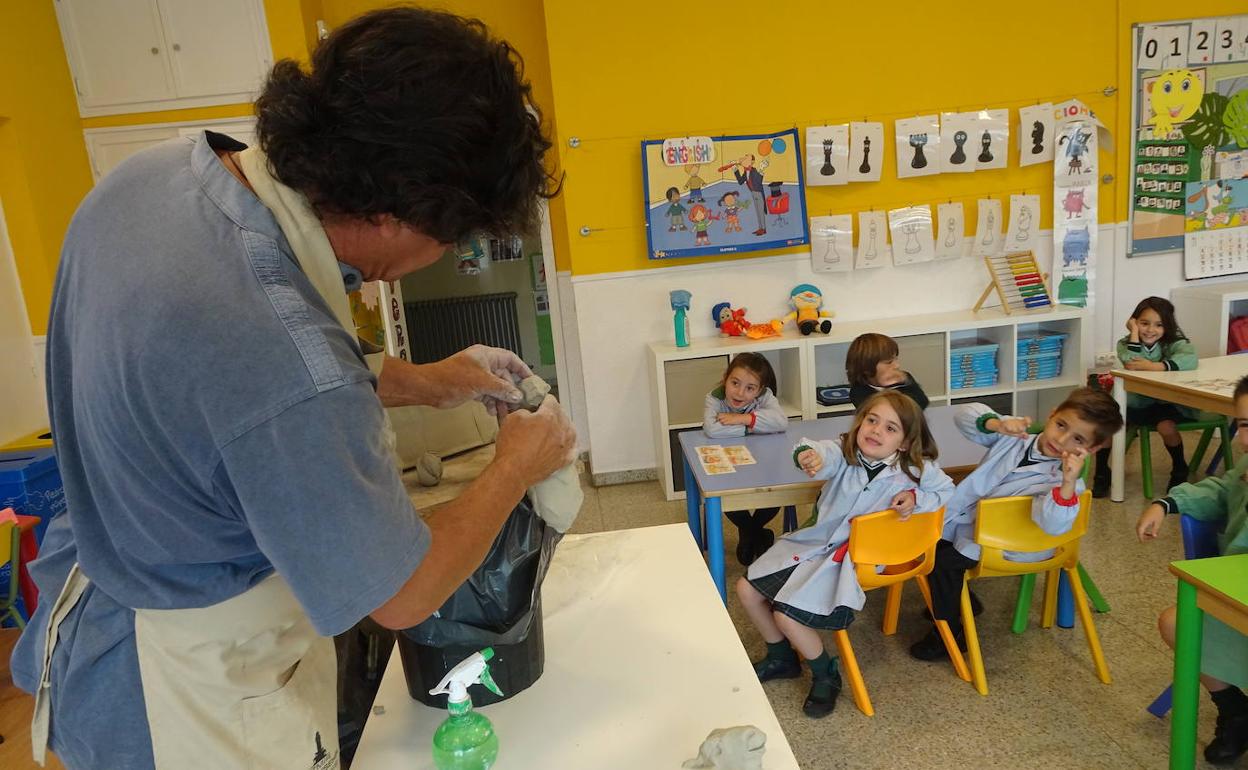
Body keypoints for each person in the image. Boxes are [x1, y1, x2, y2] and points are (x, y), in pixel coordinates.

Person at [11, 9, 575, 769]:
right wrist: (516, 466)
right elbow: (402, 593)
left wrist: (428, 382)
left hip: (93, 619)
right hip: (186, 698)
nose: (441, 257)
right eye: (449, 238)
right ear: (394, 212)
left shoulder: (156, 177)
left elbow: (215, 391)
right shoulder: (281, 351)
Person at [737, 391, 954, 718]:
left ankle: (826, 673)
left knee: (786, 614)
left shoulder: (916, 469)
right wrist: (808, 455)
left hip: (855, 561)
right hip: (814, 543)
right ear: (860, 422)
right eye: (872, 420)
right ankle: (781, 657)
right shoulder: (844, 451)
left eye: (890, 428)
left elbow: (946, 490)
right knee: (746, 590)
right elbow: (817, 450)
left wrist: (915, 497)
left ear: (906, 443)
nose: (876, 430)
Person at [909, 388, 1122, 660]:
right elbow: (963, 415)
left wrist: (1067, 483)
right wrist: (997, 423)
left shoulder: (1068, 482)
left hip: (1018, 546)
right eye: (1061, 425)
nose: (1061, 440)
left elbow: (1054, 525)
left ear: (1090, 449)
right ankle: (961, 602)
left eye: (1077, 439)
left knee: (941, 562)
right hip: (978, 529)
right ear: (1052, 415)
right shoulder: (1015, 438)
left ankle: (948, 635)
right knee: (930, 540)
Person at [1135, 374, 1248, 766]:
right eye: (1245, 424)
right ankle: (1235, 711)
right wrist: (1166, 503)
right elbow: (1218, 489)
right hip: (1236, 601)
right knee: (1176, 622)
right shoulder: (1245, 465)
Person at [1093, 296, 1199, 497]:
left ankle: (1179, 467)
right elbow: (1132, 361)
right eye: (1144, 323)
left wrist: (1154, 366)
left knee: (1167, 427)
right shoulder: (1125, 343)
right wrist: (1134, 333)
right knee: (1108, 428)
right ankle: (1101, 472)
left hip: (1163, 403)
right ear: (1134, 322)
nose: (1150, 330)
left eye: (1159, 325)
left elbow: (1190, 359)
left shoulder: (1174, 343)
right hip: (1132, 402)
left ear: (1168, 325)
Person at [703, 352, 787, 565]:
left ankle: (749, 533)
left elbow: (781, 422)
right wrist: (753, 427)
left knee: (774, 496)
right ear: (726, 379)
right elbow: (712, 430)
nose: (740, 393)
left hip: (763, 462)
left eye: (750, 388)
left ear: (759, 390)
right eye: (735, 383)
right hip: (729, 465)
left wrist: (742, 418)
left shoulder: (766, 396)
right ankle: (756, 533)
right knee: (728, 498)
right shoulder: (714, 398)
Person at [845, 332, 930, 410]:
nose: (897, 365)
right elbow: (886, 414)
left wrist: (904, 383)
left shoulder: (903, 377)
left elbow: (923, 402)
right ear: (866, 369)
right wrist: (888, 389)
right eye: (889, 362)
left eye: (896, 359)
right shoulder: (858, 391)